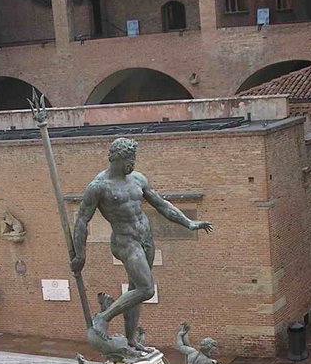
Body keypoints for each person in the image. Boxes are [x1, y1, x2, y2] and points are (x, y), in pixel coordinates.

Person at [71, 137, 213, 352]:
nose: (134, 163)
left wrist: (189, 223)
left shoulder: (137, 179)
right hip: (125, 242)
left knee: (135, 292)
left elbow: (161, 204)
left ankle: (131, 341)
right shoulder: (99, 187)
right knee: (146, 289)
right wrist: (80, 255)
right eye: (130, 158)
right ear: (118, 158)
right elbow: (82, 220)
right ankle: (103, 317)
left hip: (146, 239)